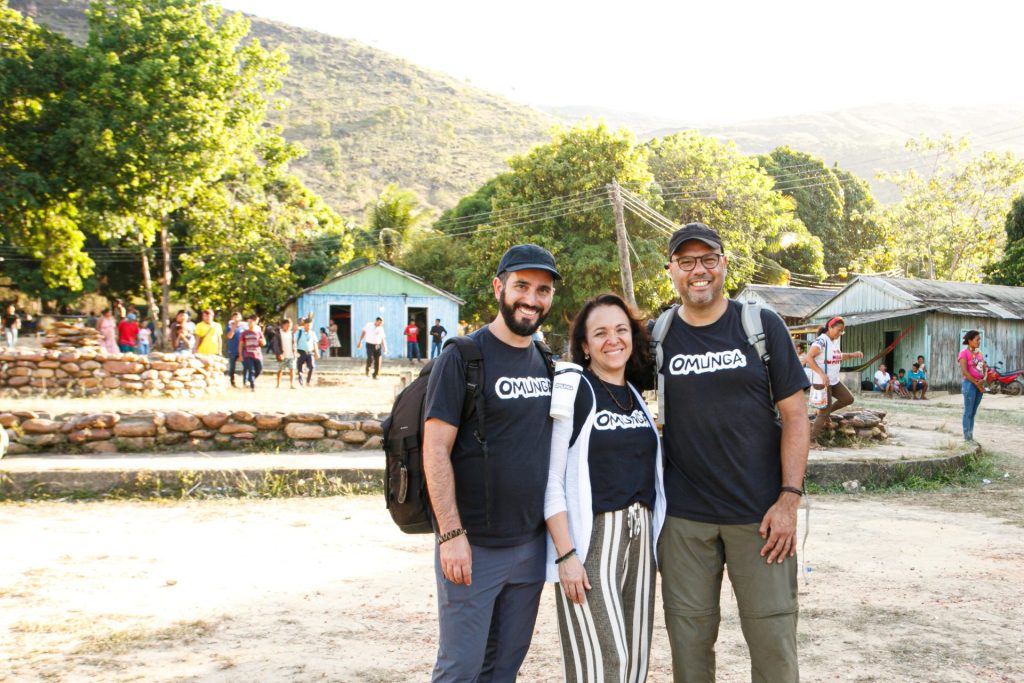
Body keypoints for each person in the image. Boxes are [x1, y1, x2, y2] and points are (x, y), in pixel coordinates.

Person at [656, 223, 809, 683]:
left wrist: (788, 499)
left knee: (773, 646)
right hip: (684, 520)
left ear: (724, 264)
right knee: (689, 647)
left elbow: (797, 417)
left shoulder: (760, 326)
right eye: (686, 262)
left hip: (760, 518)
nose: (698, 271)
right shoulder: (659, 337)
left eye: (708, 259)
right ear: (671, 272)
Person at [422, 244, 559, 682]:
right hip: (473, 547)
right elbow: (435, 449)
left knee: (504, 668)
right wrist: (451, 533)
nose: (532, 299)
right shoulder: (462, 357)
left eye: (543, 290)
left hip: (531, 547)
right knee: (460, 669)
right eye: (522, 286)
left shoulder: (547, 364)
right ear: (499, 287)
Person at [544, 293, 664, 682]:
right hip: (594, 541)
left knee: (634, 661)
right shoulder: (574, 390)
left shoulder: (636, 396)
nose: (612, 340)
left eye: (620, 330)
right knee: (602, 662)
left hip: (640, 538)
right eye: (600, 333)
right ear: (585, 345)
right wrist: (567, 556)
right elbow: (551, 480)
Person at [807, 316, 864, 447]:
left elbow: (837, 356)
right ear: (830, 327)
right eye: (839, 330)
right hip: (822, 381)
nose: (840, 333)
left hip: (833, 380)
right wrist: (821, 374)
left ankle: (823, 412)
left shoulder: (834, 341)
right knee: (824, 411)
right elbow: (809, 358)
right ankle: (811, 440)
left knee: (848, 398)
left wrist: (852, 354)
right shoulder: (821, 341)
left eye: (842, 331)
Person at [959, 330, 986, 443]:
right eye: (977, 340)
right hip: (970, 385)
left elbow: (984, 368)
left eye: (979, 339)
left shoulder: (979, 354)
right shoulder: (964, 353)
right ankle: (967, 437)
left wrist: (984, 379)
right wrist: (977, 383)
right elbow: (965, 372)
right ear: (970, 341)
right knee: (968, 411)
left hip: (979, 385)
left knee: (973, 412)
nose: (979, 342)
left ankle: (971, 436)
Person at [238, 314, 265, 391]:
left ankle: (250, 379)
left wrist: (261, 342)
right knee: (251, 370)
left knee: (259, 369)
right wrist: (240, 355)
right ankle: (253, 386)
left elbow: (264, 342)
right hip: (248, 354)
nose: (249, 324)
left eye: (251, 322)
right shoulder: (244, 333)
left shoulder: (258, 332)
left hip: (257, 354)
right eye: (248, 322)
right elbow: (240, 344)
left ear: (254, 323)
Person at [272, 318, 297, 389]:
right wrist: (279, 353)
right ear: (283, 325)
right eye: (287, 325)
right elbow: (276, 345)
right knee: (280, 369)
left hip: (291, 354)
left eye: (290, 326)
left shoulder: (292, 334)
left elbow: (294, 344)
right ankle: (278, 384)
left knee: (292, 369)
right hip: (282, 355)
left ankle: (292, 384)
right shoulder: (278, 334)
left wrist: (295, 352)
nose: (289, 327)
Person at [295, 317, 317, 386]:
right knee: (300, 368)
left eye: (310, 325)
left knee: (312, 367)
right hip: (300, 352)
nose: (308, 326)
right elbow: (294, 342)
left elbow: (315, 343)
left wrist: (316, 352)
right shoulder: (299, 332)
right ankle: (301, 382)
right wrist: (295, 351)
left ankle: (308, 382)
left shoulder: (312, 333)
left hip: (309, 352)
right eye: (307, 325)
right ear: (304, 325)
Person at [224, 312, 244, 387]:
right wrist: (233, 327)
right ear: (232, 318)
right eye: (234, 317)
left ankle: (246, 381)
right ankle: (232, 382)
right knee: (232, 367)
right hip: (232, 349)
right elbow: (229, 336)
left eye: (238, 317)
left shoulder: (243, 327)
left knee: (246, 365)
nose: (236, 319)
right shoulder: (229, 327)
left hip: (242, 350)